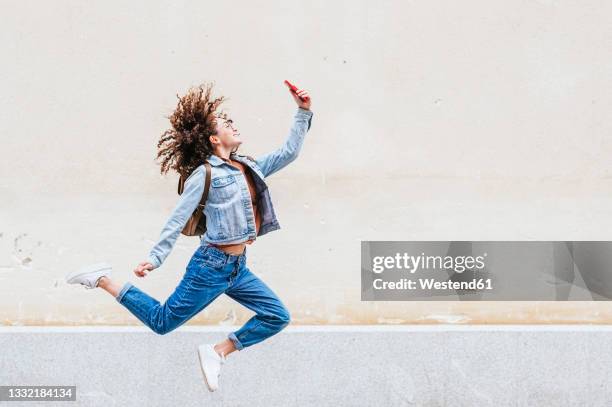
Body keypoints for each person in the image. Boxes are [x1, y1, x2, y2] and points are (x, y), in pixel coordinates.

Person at [65, 81, 313, 391]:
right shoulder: (205, 174)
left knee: (277, 316)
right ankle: (101, 279)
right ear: (213, 138)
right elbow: (177, 218)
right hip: (210, 266)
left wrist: (302, 111)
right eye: (226, 124)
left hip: (237, 268)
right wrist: (155, 258)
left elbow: (289, 152)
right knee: (162, 322)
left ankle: (219, 351)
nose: (234, 125)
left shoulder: (250, 166)